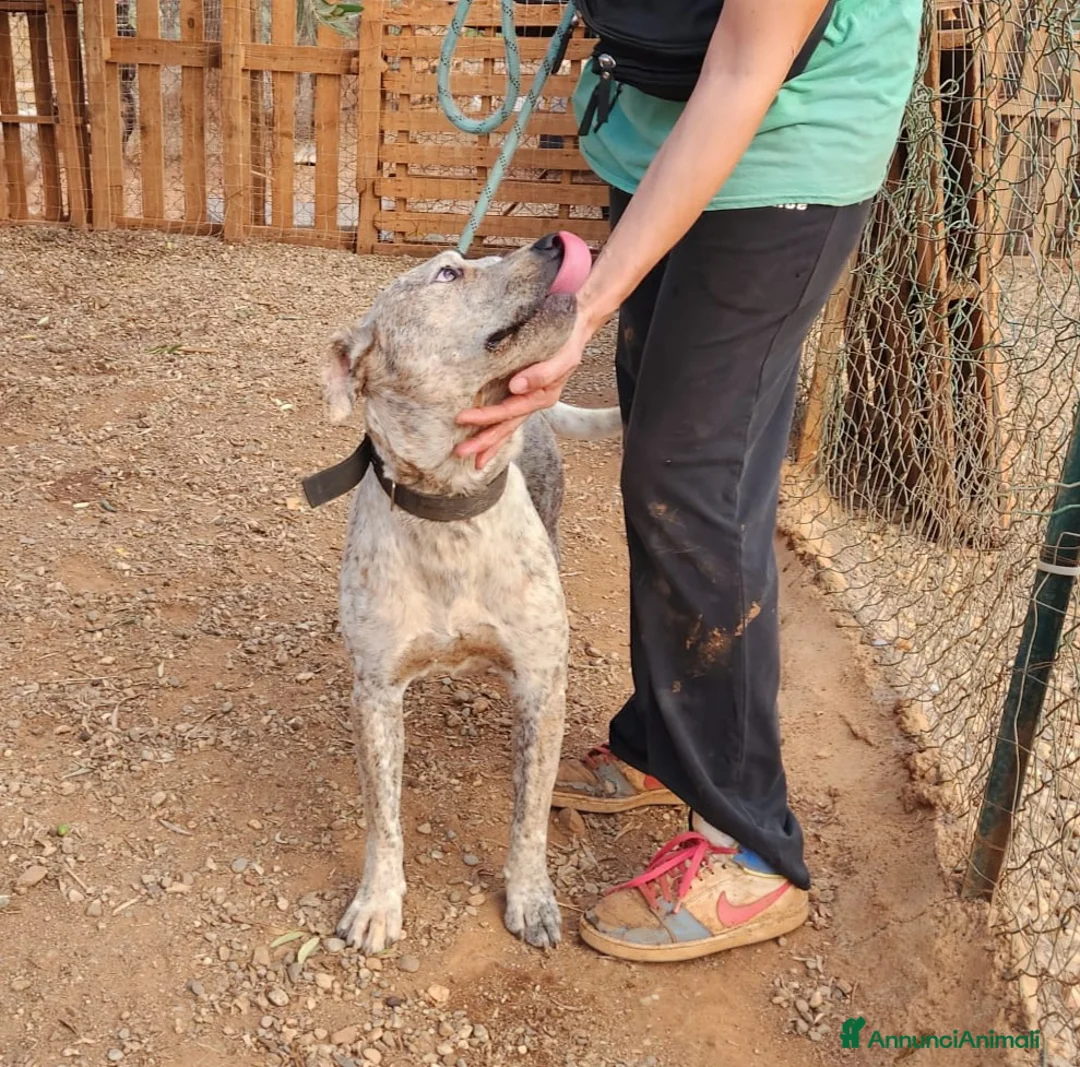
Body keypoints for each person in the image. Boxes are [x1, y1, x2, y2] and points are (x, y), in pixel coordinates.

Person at [455, 0, 922, 962]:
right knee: (669, 463)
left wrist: (585, 308)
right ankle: (666, 742)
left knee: (690, 484)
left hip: (783, 149)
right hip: (658, 131)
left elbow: (747, 70)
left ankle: (749, 844)